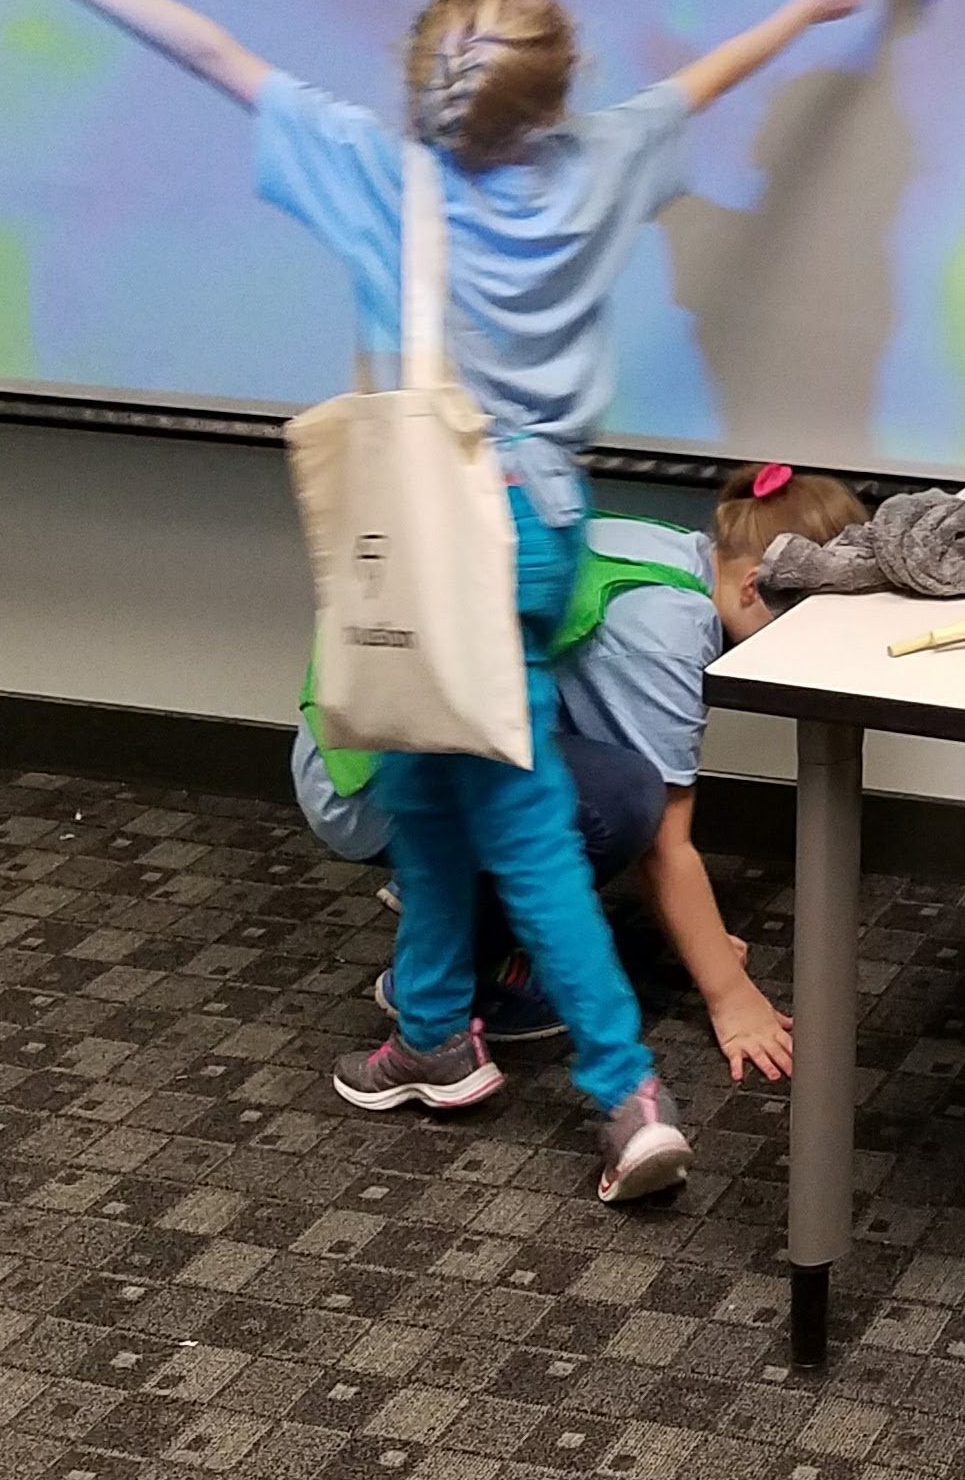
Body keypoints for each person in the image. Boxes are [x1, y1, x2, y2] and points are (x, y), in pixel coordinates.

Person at [0, 0, 896, 1199]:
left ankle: (627, 1094)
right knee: (431, 789)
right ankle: (434, 1035)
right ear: (558, 91)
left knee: (525, 830)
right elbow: (707, 78)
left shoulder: (383, 177)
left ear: (421, 84)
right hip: (542, 536)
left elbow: (213, 52)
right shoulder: (598, 163)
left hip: (440, 548)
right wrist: (805, 7)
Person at [295, 460, 868, 1090]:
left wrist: (696, 934)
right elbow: (662, 847)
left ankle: (444, 886)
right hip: (369, 776)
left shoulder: (679, 553)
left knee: (602, 786)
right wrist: (732, 996)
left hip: (375, 730)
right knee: (624, 799)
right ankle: (463, 966)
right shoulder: (666, 629)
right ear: (754, 587)